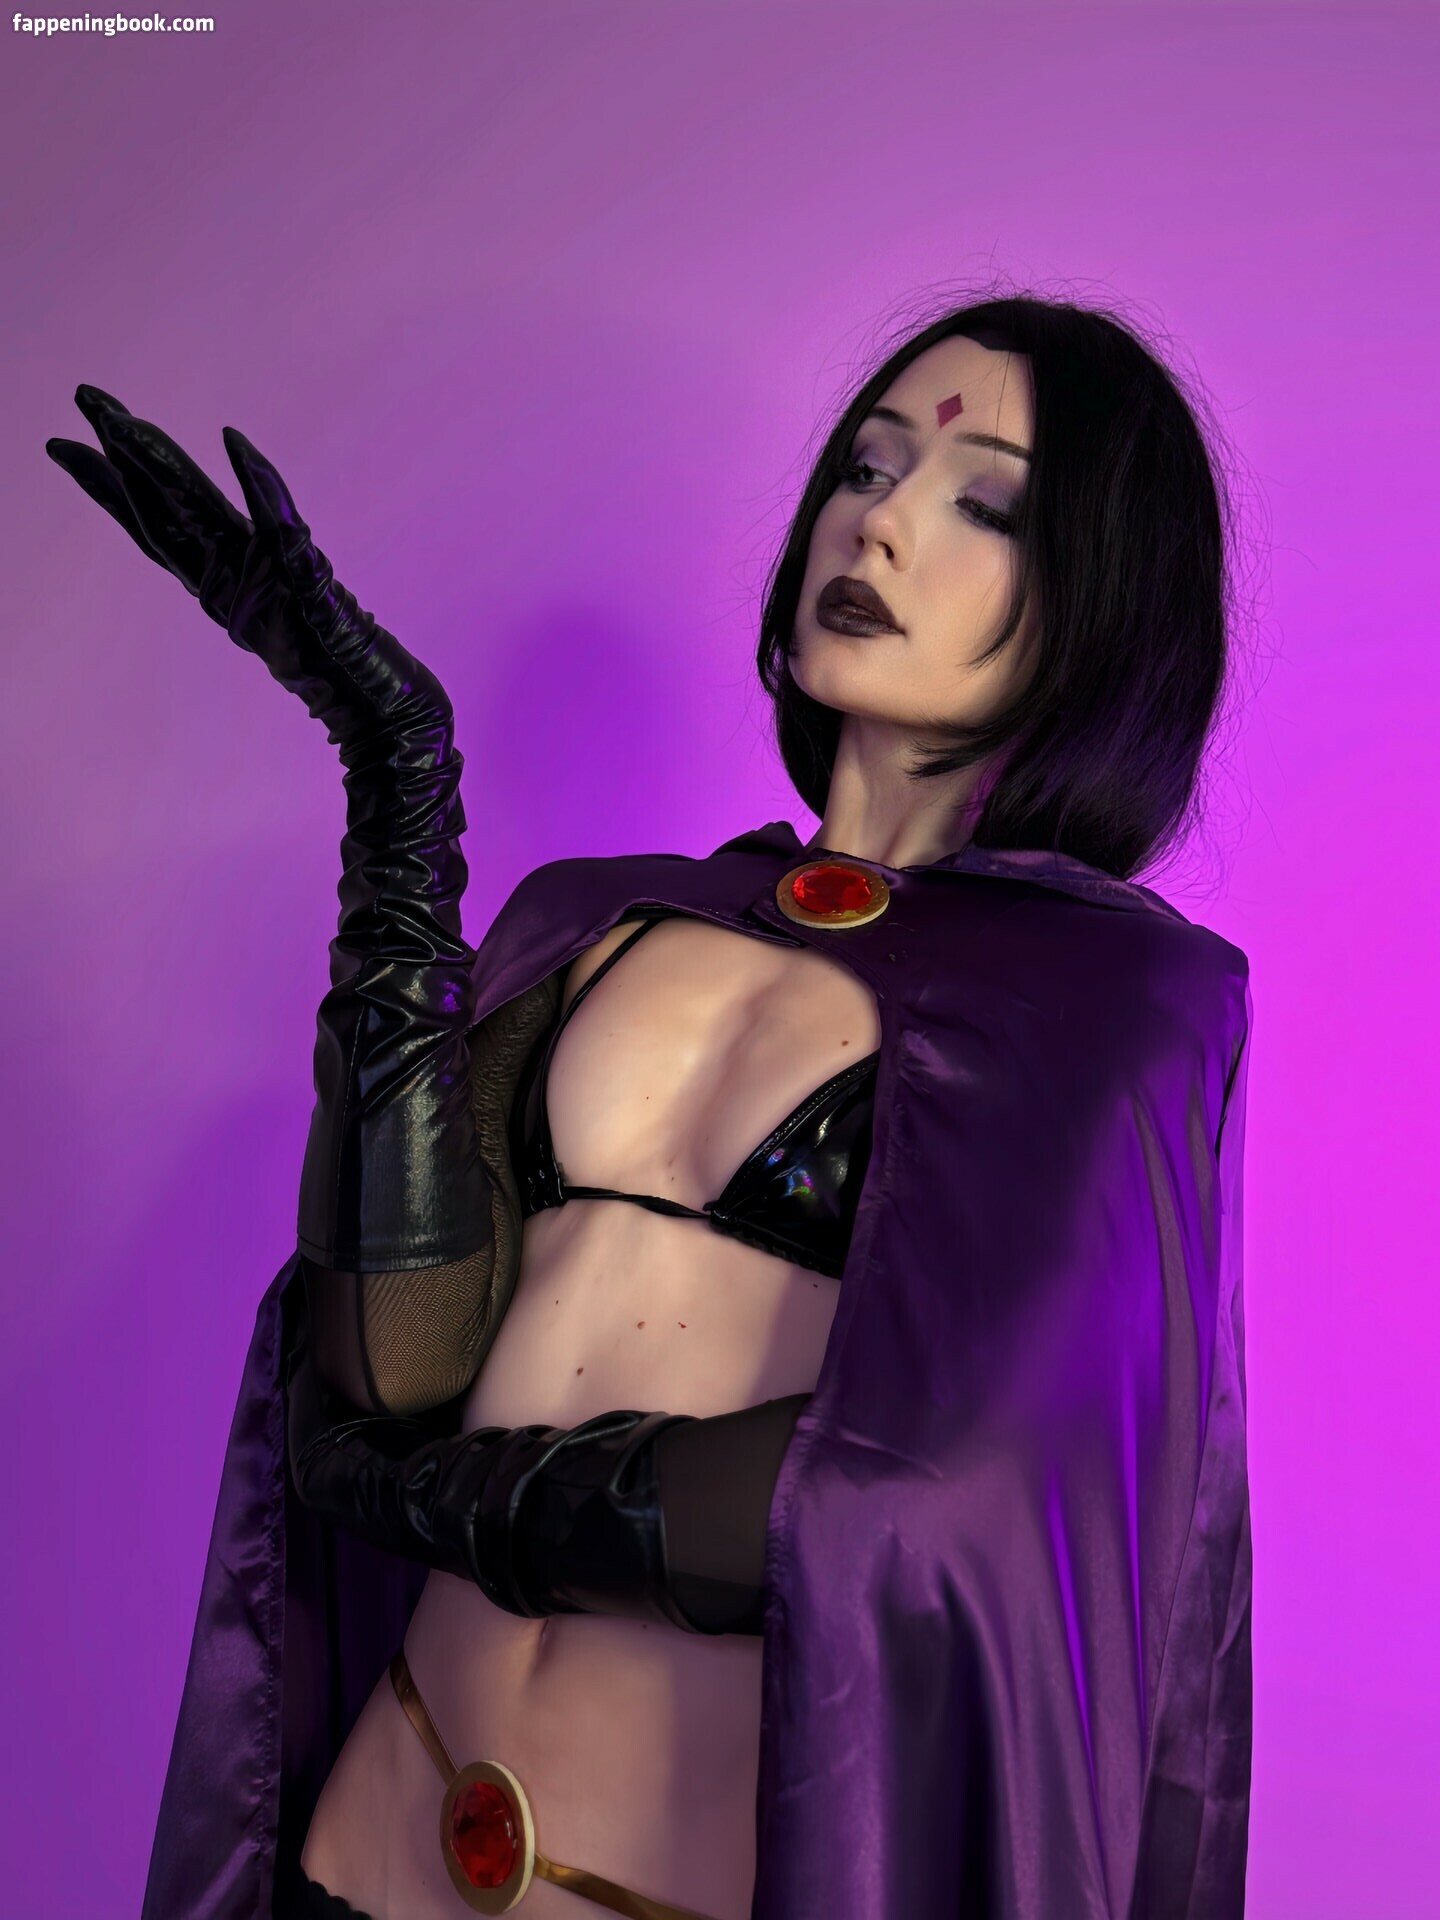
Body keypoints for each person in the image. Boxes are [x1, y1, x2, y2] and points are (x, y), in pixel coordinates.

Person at [49, 292, 1255, 1920]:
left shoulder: (1114, 1006)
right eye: (865, 467)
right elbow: (395, 1356)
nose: (878, 522)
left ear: (1107, 596)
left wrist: (500, 1506)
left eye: (984, 504)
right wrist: (398, 799)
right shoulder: (596, 916)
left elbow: (953, 1486)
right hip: (367, 1842)